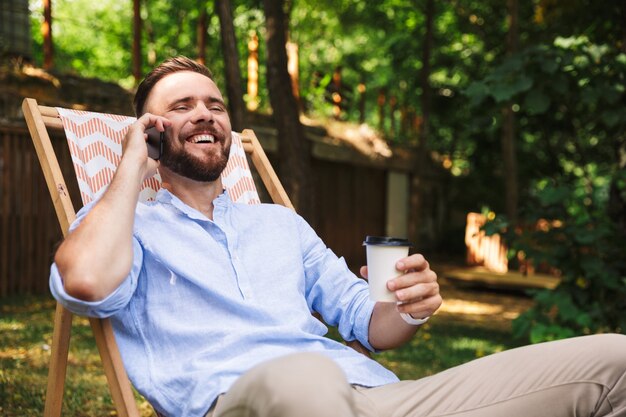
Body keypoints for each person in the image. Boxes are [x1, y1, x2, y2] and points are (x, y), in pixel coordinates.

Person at [50, 56, 626, 417]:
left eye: (215, 104)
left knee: (614, 359)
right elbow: (85, 283)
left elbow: (367, 321)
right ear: (148, 132)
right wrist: (133, 162)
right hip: (253, 402)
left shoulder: (278, 223)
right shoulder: (126, 226)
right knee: (305, 376)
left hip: (375, 399)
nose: (206, 114)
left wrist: (408, 305)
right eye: (181, 106)